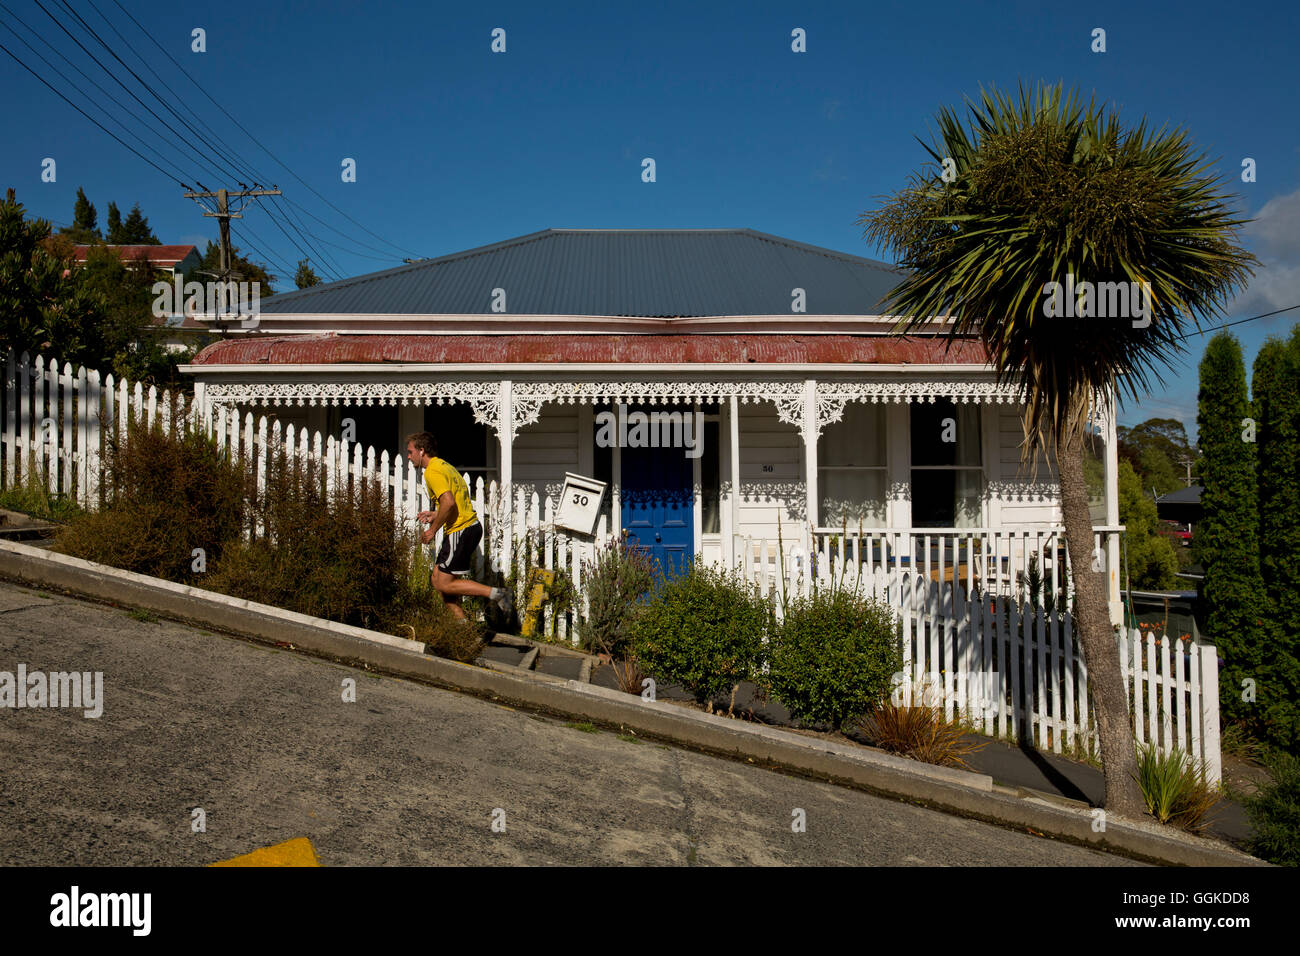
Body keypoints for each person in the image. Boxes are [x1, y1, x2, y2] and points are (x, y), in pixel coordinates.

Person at [404, 431, 513, 623]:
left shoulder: (432, 471)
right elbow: (455, 502)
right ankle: (463, 628)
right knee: (437, 580)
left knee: (445, 583)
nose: (408, 456)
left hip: (462, 529)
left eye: (410, 451)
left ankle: (498, 594)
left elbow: (449, 502)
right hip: (466, 526)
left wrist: (432, 530)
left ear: (421, 451)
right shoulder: (445, 466)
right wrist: (435, 514)